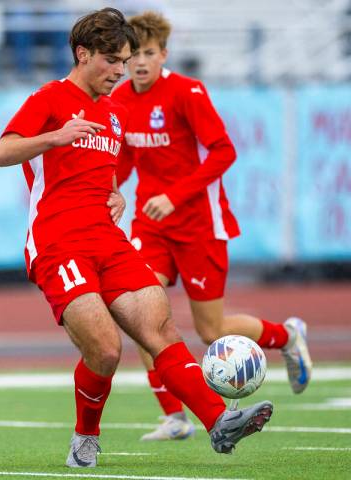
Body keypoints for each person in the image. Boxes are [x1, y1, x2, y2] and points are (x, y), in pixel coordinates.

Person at [0, 8, 273, 468]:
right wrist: (55, 136)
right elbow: (1, 152)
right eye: (112, 60)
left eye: (124, 60)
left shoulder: (116, 112)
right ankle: (86, 434)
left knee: (160, 329)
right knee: (105, 350)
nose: (121, 70)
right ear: (82, 55)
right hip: (58, 243)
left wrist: (115, 193)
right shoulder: (50, 98)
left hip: (108, 239)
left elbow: (100, 173)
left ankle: (219, 420)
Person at [109, 11, 312, 441]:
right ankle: (174, 416)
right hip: (151, 224)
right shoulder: (121, 100)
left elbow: (223, 152)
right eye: (134, 56)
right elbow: (127, 156)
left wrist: (175, 195)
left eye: (150, 53)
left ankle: (288, 335)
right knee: (141, 314)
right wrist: (110, 188)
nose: (141, 62)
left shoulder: (188, 92)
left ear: (164, 54)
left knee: (210, 331)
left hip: (200, 224)